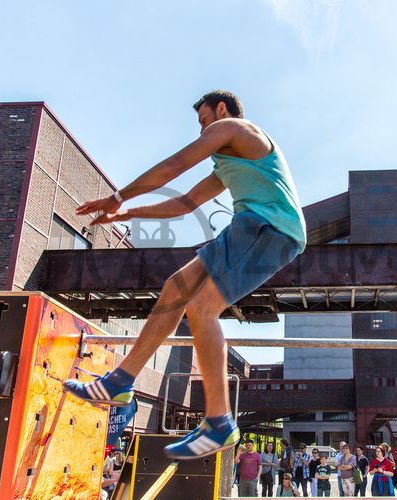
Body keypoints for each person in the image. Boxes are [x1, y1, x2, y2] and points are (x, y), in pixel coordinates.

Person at [62, 90, 306, 460]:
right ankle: (120, 381)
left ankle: (219, 422)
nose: (203, 129)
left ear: (220, 110)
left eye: (203, 119)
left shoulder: (235, 128)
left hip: (270, 228)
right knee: (176, 287)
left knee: (202, 308)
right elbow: (185, 203)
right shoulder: (228, 163)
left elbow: (173, 165)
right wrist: (128, 214)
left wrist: (118, 196)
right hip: (248, 225)